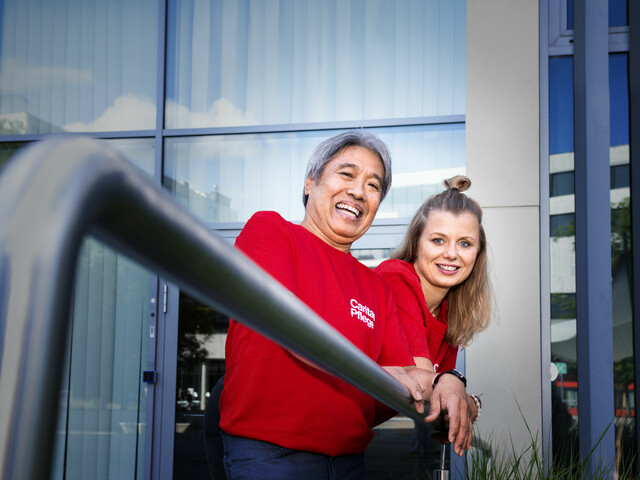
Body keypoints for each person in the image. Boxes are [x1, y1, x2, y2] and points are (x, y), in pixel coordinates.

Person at [218, 131, 470, 480]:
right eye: (347, 174)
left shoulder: (376, 287)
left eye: (373, 185)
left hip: (348, 462)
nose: (358, 191)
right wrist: (376, 372)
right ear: (310, 182)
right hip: (270, 454)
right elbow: (290, 329)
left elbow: (411, 376)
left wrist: (451, 381)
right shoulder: (271, 232)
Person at [375, 175, 492, 456]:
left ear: (478, 253)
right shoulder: (396, 280)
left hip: (352, 440)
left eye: (465, 243)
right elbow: (432, 385)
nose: (451, 254)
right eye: (438, 240)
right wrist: (463, 396)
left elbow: (442, 401)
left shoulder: (450, 310)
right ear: (417, 243)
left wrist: (459, 396)